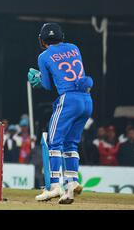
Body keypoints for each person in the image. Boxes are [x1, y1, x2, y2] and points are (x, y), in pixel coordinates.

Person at [28, 23, 93, 204]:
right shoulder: (74, 48)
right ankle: (72, 183)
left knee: (54, 142)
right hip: (87, 99)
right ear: (61, 36)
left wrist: (38, 79)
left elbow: (48, 85)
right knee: (71, 143)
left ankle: (55, 186)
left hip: (68, 100)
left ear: (41, 40)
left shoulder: (44, 56)